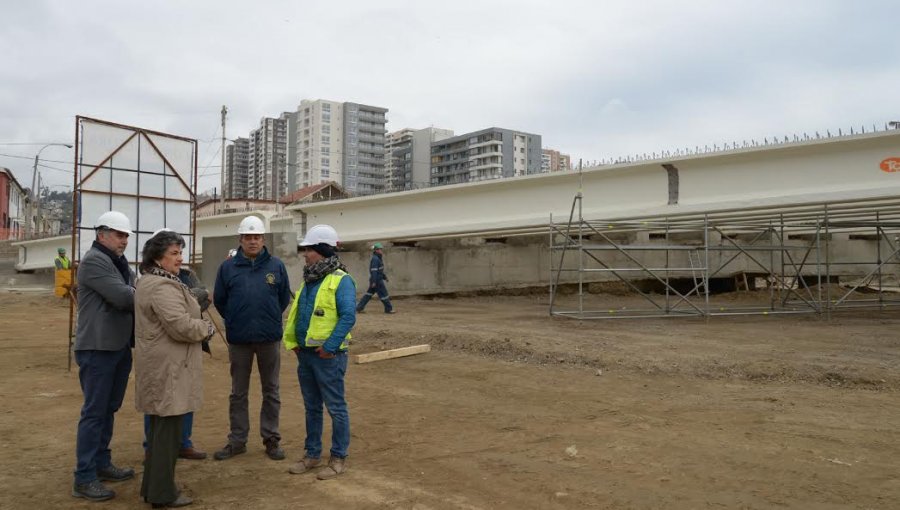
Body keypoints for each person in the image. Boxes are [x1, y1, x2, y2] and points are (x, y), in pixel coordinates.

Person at [135, 230, 212, 508]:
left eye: (180, 252)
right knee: (167, 436)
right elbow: (180, 326)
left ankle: (152, 488)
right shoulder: (162, 286)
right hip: (168, 369)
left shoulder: (155, 281)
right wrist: (207, 327)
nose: (180, 258)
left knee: (159, 433)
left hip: (163, 366)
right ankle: (163, 494)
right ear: (158, 257)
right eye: (174, 253)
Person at [213, 216, 292, 461]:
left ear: (263, 239)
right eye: (248, 237)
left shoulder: (276, 266)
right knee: (238, 392)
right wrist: (237, 319)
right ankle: (237, 440)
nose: (253, 241)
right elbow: (220, 300)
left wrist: (267, 318)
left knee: (271, 390)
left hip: (269, 338)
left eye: (257, 237)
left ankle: (271, 439)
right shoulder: (227, 268)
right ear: (240, 240)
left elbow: (282, 299)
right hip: (239, 340)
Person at [72, 211, 136, 502]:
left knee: (108, 408)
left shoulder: (118, 262)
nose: (124, 240)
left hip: (117, 346)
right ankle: (84, 477)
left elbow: (131, 290)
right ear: (102, 234)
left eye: (125, 236)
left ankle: (101, 462)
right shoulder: (95, 261)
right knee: (95, 412)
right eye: (119, 235)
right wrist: (158, 293)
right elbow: (125, 297)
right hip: (98, 348)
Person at [284, 224, 356, 480]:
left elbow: (348, 316)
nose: (305, 254)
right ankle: (312, 454)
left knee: (336, 408)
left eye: (309, 249)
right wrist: (293, 342)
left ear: (322, 250)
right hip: (306, 355)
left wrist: (330, 346)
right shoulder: (310, 279)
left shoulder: (341, 280)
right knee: (312, 407)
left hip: (328, 357)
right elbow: (299, 315)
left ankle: (338, 458)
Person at [355, 242, 395, 314]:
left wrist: (384, 277)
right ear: (376, 250)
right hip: (377, 281)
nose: (381, 251)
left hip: (376, 280)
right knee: (384, 294)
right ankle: (388, 309)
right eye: (380, 249)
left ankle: (359, 308)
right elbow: (374, 271)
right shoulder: (375, 259)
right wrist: (374, 282)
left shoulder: (378, 258)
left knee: (368, 294)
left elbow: (379, 270)